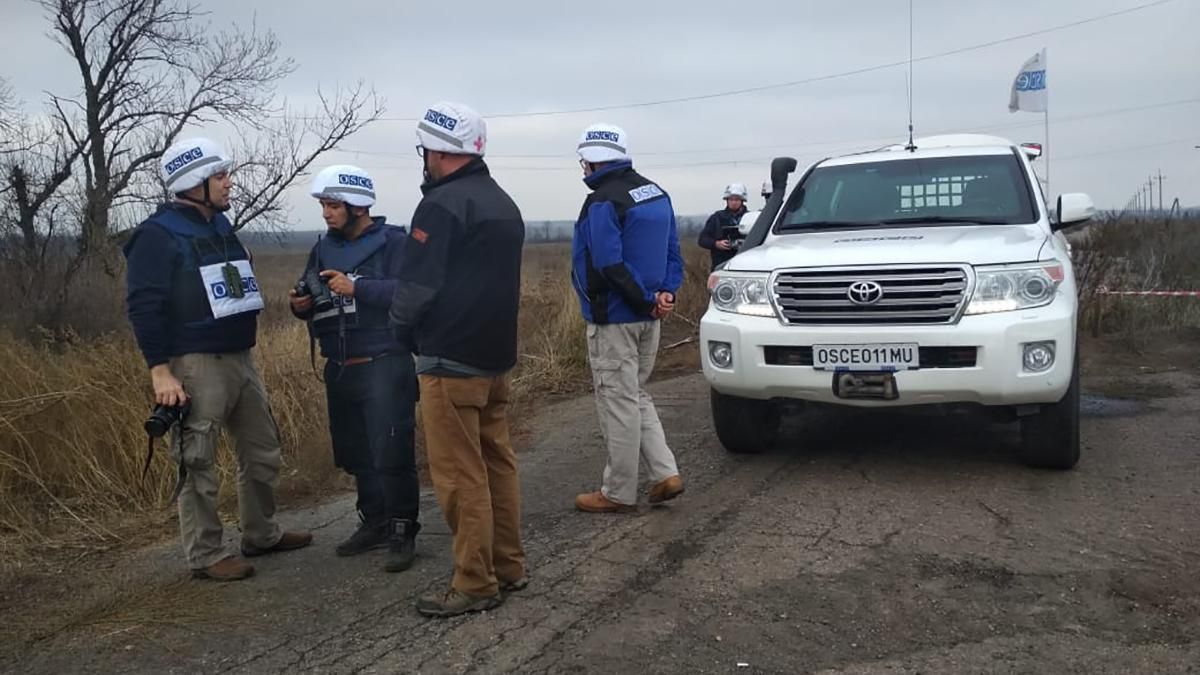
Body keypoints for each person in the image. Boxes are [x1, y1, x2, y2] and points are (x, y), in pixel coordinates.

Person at [123, 137, 312, 582]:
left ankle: (261, 534)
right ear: (193, 182)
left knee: (263, 449)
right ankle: (207, 555)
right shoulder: (157, 235)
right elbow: (143, 305)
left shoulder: (219, 227)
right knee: (198, 459)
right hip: (195, 362)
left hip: (240, 358)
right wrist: (160, 371)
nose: (229, 184)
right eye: (220, 176)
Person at [389, 101, 527, 618]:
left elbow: (417, 288)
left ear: (439, 151)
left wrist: (402, 334)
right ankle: (508, 567)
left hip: (449, 359)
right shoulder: (502, 202)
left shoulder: (441, 205)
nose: (423, 158)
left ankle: (474, 581)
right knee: (497, 465)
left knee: (459, 474)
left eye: (425, 149)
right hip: (493, 359)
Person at [289, 165, 421, 573]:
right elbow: (308, 287)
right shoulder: (323, 247)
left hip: (385, 361)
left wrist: (358, 287)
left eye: (332, 205)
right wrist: (301, 306)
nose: (326, 213)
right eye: (323, 205)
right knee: (358, 452)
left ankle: (402, 529)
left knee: (392, 451)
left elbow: (414, 293)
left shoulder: (395, 242)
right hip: (341, 364)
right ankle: (375, 521)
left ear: (358, 205)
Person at [569, 123, 685, 515]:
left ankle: (617, 491)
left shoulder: (603, 201)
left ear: (594, 160)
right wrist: (664, 295)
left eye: (583, 161)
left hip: (615, 319)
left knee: (617, 401)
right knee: (635, 395)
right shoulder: (656, 193)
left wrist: (643, 301)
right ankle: (665, 473)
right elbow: (673, 251)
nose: (582, 168)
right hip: (650, 315)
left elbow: (607, 263)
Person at [698, 183, 750, 271]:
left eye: (737, 199)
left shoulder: (751, 218)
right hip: (721, 266)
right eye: (731, 199)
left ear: (742, 200)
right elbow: (702, 239)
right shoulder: (716, 218)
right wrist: (716, 244)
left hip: (745, 266)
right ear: (727, 200)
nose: (734, 202)